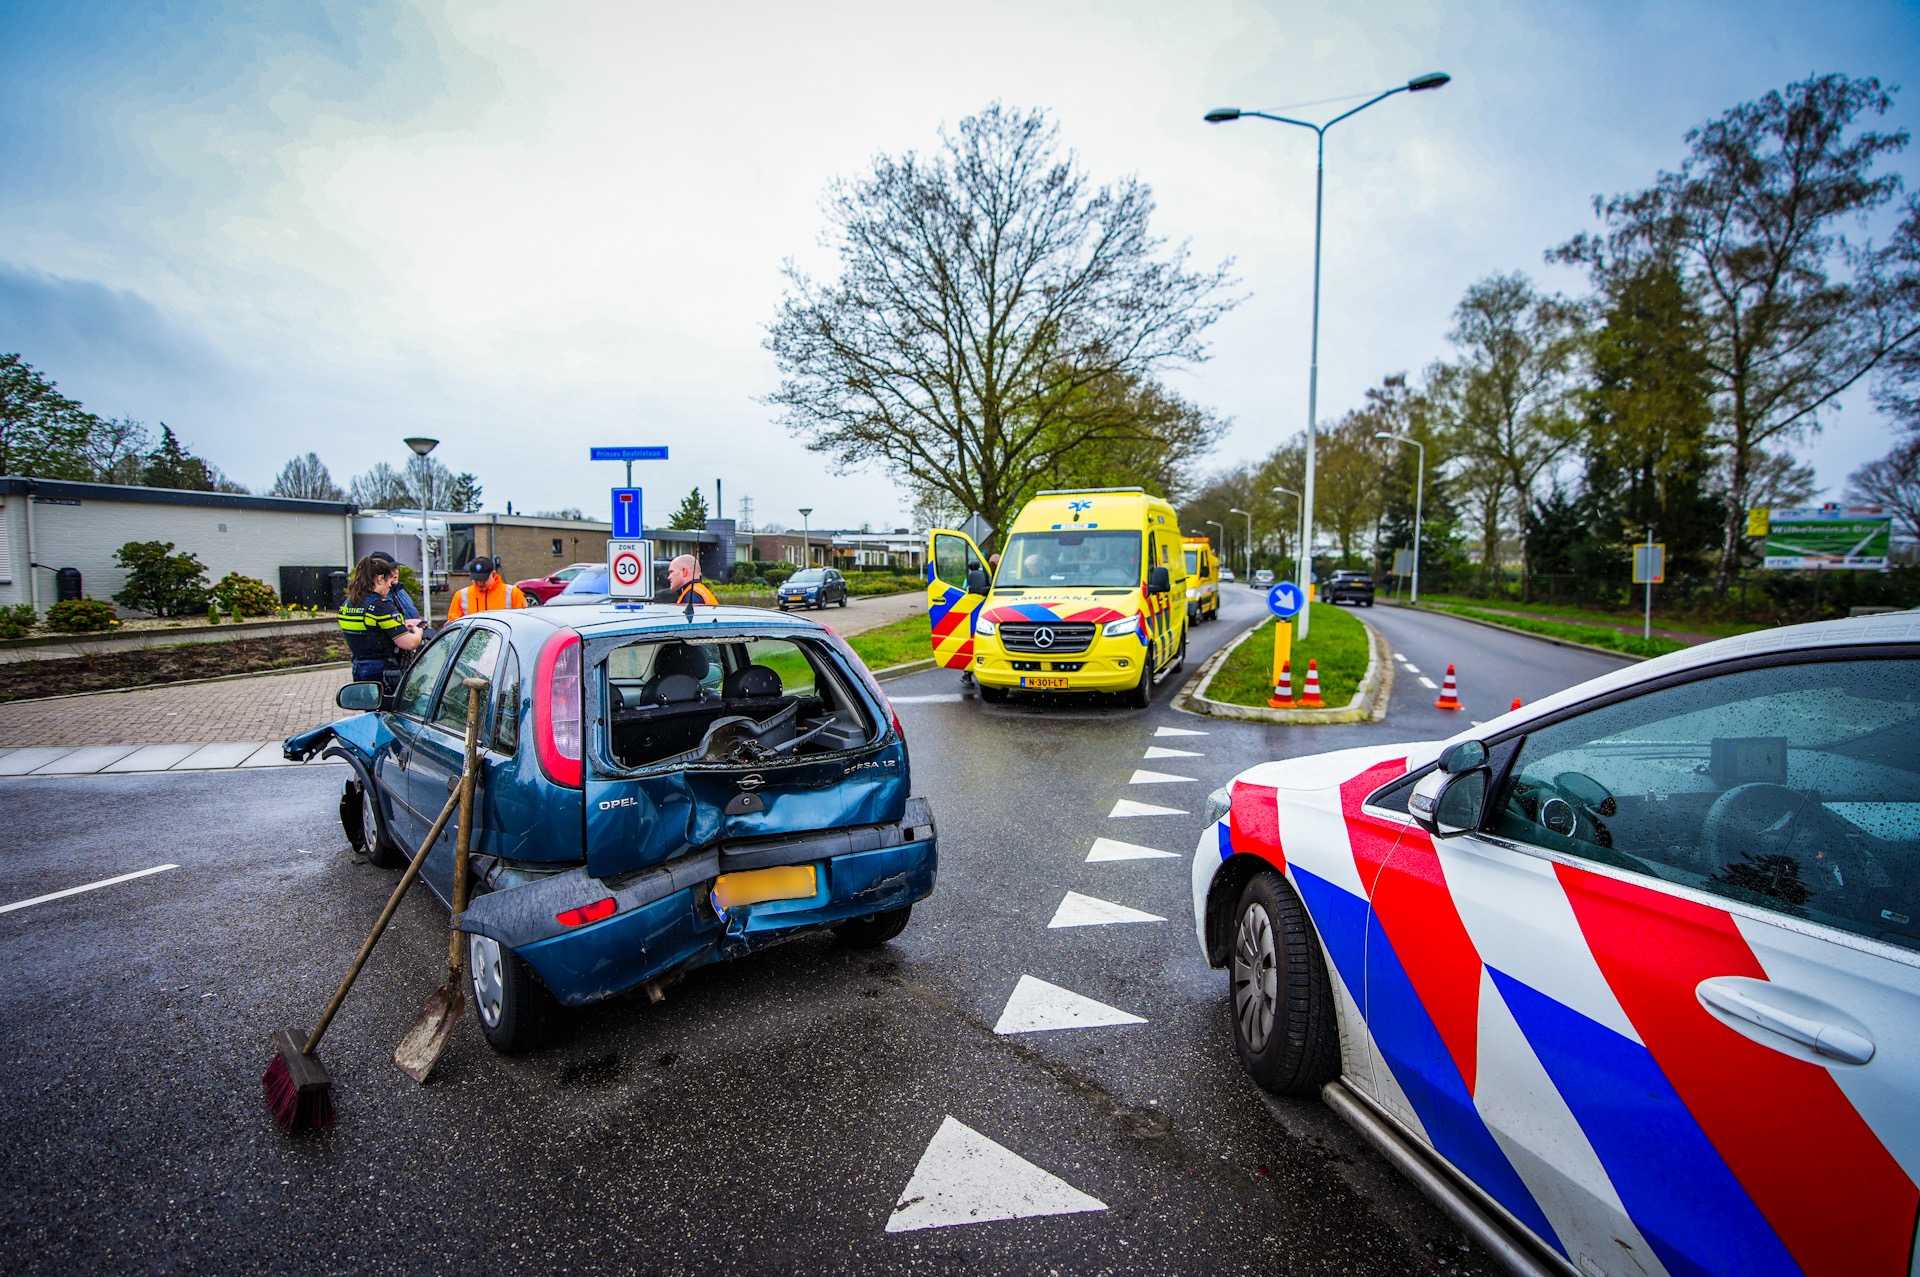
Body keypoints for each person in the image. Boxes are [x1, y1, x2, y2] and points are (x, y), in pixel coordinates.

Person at [339, 556, 423, 683]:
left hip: (359, 667)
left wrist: (401, 625)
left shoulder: (347, 605)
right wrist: (418, 631)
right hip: (383, 671)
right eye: (389, 583)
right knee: (388, 703)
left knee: (367, 702)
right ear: (380, 579)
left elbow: (369, 629)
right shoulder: (381, 606)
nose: (389, 587)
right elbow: (409, 643)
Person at [446, 557, 527, 620]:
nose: (480, 584)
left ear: (494, 574)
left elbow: (523, 622)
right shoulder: (461, 596)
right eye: (476, 580)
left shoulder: (513, 593)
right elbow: (453, 624)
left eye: (484, 580)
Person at [364, 550, 419, 621]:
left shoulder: (400, 590)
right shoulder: (375, 598)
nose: (396, 572)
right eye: (391, 569)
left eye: (396, 568)